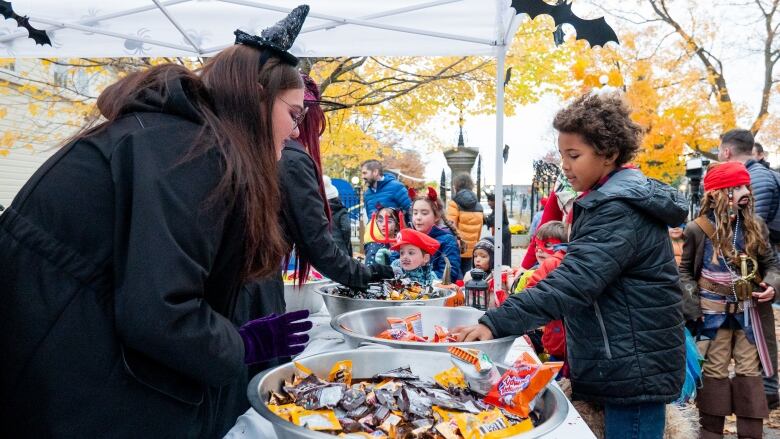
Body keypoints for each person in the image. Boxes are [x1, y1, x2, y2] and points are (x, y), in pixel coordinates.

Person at [0, 7, 316, 437]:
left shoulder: (174, 138)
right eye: (294, 114)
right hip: (60, 377)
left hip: (64, 362)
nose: (297, 131)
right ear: (256, 97)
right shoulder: (184, 151)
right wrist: (240, 345)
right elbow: (160, 314)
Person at [454, 92, 688, 438]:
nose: (564, 165)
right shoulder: (608, 200)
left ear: (608, 154)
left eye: (574, 155)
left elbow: (573, 282)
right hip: (623, 362)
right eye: (562, 154)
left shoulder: (617, 209)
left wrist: (498, 321)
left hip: (633, 369)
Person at [677, 162, 779, 438]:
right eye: (735, 187)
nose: (744, 192)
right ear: (716, 193)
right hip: (711, 315)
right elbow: (685, 271)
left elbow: (772, 264)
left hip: (750, 314)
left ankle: (751, 434)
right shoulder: (697, 229)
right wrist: (693, 305)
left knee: (750, 372)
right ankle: (710, 433)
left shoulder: (755, 226)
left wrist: (770, 285)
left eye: (746, 186)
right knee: (714, 372)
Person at [719, 128, 780, 405]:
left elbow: (756, 232)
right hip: (738, 279)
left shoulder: (756, 179)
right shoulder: (756, 176)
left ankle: (766, 388)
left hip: (754, 273)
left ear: (726, 151)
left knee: (757, 330)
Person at [410, 187, 463, 281]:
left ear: (436, 216)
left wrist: (416, 278)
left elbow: (448, 275)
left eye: (424, 213)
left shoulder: (447, 240)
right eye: (415, 213)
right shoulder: (410, 238)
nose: (418, 217)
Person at [446, 173, 484, 275]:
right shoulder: (479, 206)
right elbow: (479, 230)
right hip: (471, 248)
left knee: (455, 277)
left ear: (456, 186)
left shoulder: (454, 203)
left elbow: (450, 226)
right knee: (467, 275)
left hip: (457, 247)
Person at [463, 237, 511, 307]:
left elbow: (514, 290)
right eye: (475, 256)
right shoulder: (469, 276)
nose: (477, 260)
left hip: (496, 314)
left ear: (494, 259)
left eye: (483, 256)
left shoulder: (504, 274)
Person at [324, 175, 352, 257]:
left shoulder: (319, 211)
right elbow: (347, 228)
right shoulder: (341, 210)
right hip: (340, 249)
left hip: (323, 250)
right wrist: (346, 243)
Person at [485, 192, 512, 267]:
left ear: (494, 201)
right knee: (504, 253)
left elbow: (493, 220)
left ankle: (503, 269)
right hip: (503, 231)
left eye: (489, 201)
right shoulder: (499, 207)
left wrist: (485, 218)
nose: (488, 203)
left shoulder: (499, 208)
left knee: (503, 254)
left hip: (502, 232)